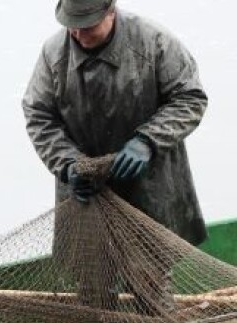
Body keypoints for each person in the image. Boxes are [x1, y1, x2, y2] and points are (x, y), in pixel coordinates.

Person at [22, 0, 208, 246]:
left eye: (87, 26)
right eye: (71, 25)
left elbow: (190, 99)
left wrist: (148, 141)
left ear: (110, 12)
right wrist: (67, 164)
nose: (77, 34)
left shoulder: (155, 41)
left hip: (151, 186)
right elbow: (38, 115)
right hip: (86, 191)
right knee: (89, 264)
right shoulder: (53, 52)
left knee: (151, 262)